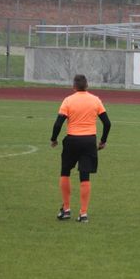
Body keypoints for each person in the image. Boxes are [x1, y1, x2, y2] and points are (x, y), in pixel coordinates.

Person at [50, 74, 111, 223]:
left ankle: (66, 209)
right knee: (85, 176)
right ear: (87, 86)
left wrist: (54, 139)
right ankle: (83, 213)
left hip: (72, 140)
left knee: (65, 172)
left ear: (74, 87)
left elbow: (58, 124)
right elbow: (107, 123)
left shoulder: (68, 100)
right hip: (89, 141)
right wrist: (103, 141)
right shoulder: (95, 100)